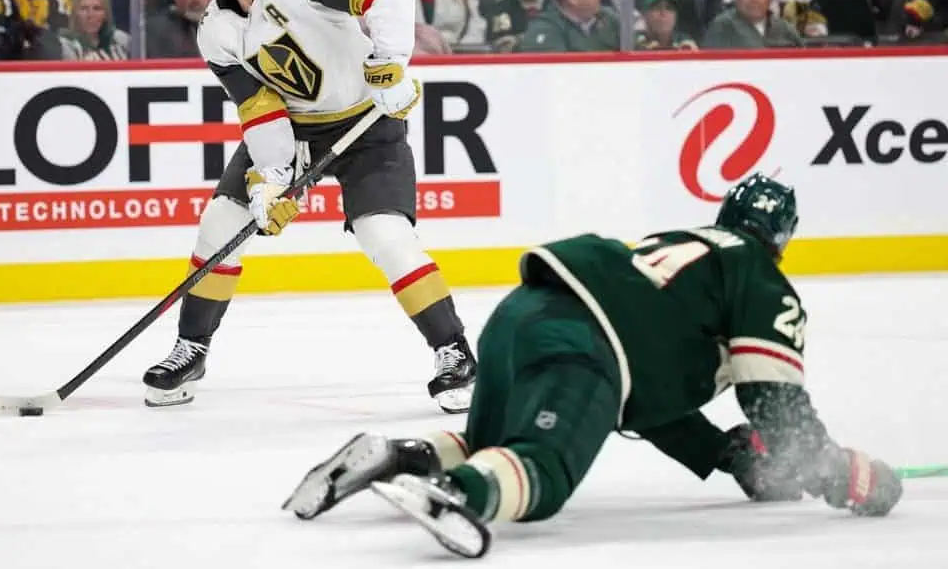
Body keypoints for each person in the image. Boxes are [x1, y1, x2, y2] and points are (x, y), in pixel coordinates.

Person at [282, 173, 904, 558]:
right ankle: (453, 492)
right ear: (783, 238)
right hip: (584, 346)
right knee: (542, 472)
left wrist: (723, 454)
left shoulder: (682, 250)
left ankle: (397, 455)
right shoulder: (761, 279)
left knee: (489, 442)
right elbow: (773, 399)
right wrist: (838, 471)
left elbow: (648, 401)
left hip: (521, 316)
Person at [141, 0, 477, 415]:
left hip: (369, 123)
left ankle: (453, 351)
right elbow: (259, 109)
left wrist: (388, 63)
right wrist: (271, 181)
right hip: (297, 131)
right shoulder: (215, 30)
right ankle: (192, 349)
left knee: (385, 235)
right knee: (220, 222)